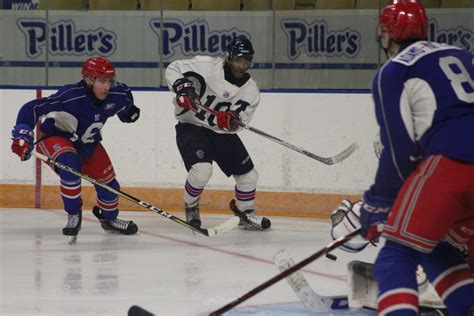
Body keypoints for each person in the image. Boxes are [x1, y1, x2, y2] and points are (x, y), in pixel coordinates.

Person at [350, 1, 474, 314]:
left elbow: (399, 150)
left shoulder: (394, 70)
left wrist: (378, 203)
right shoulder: (463, 54)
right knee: (435, 242)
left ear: (388, 35)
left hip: (452, 164)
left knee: (396, 253)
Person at [11, 57, 141, 242]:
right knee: (70, 166)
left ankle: (109, 219)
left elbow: (126, 106)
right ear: (88, 80)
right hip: (55, 137)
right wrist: (22, 133)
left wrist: (129, 114)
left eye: (109, 80)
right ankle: (73, 214)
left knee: (110, 186)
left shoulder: (118, 94)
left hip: (87, 142)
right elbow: (33, 107)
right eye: (102, 81)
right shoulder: (71, 96)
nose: (107, 86)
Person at [165, 37, 271, 230]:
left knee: (249, 176)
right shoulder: (206, 66)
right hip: (191, 126)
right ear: (228, 58)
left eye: (246, 61)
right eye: (238, 59)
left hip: (221, 134)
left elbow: (242, 123)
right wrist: (182, 86)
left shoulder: (251, 91)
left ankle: (245, 212)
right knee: (201, 171)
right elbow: (173, 68)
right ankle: (191, 206)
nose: (242, 65)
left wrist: (232, 124)